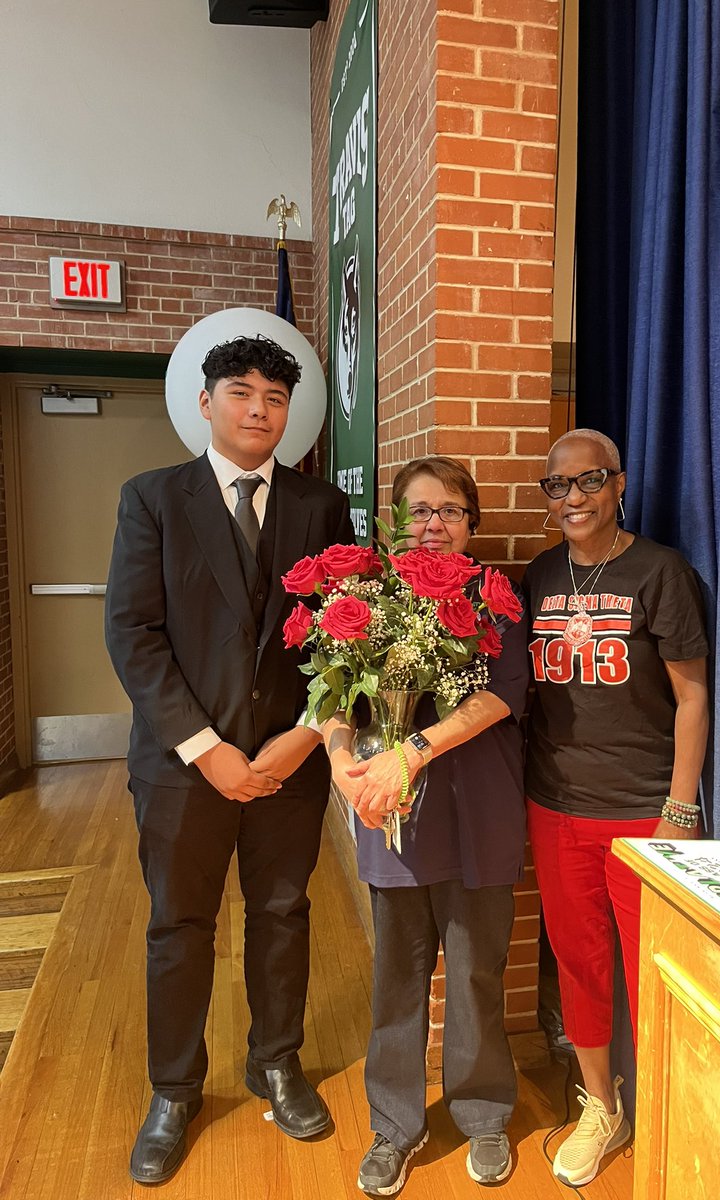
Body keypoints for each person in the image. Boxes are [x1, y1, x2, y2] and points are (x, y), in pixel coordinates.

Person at [105, 334, 355, 1185]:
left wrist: (303, 736)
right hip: (184, 767)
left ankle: (275, 1062)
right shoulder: (152, 499)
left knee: (282, 914)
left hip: (290, 760)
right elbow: (133, 636)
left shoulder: (320, 507)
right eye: (242, 392)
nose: (259, 410)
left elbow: (343, 635)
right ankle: (175, 1089)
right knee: (180, 926)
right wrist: (208, 749)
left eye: (276, 398)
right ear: (205, 403)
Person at [323, 456, 529, 1195]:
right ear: (393, 522)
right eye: (419, 510)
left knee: (475, 975)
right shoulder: (363, 599)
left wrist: (412, 752)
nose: (435, 523)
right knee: (397, 980)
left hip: (480, 812)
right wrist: (345, 761)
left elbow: (503, 695)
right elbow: (330, 696)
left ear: (472, 525)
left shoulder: (498, 597)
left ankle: (481, 1115)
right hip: (395, 816)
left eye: (451, 510)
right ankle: (395, 1126)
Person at [524, 429, 709, 1188]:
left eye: (588, 481)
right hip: (557, 804)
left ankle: (675, 1104)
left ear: (620, 483)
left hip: (643, 811)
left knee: (656, 971)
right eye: (558, 486)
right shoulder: (538, 575)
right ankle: (603, 1105)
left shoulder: (659, 570)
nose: (573, 497)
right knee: (581, 964)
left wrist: (680, 808)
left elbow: (692, 695)